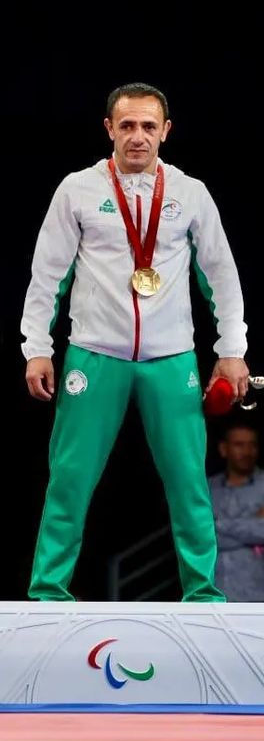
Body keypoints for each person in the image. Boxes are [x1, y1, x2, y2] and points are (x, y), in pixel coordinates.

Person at [20, 82, 248, 602]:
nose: (138, 137)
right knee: (69, 480)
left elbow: (222, 276)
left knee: (189, 483)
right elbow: (47, 275)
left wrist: (231, 348)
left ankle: (204, 596)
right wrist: (36, 346)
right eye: (127, 126)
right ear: (109, 129)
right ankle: (48, 594)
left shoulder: (191, 193)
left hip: (171, 361)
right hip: (94, 356)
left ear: (166, 131)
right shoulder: (76, 189)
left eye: (149, 126)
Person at [209, 423, 264, 602]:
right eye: (239, 445)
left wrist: (216, 524)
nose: (247, 451)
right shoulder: (207, 488)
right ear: (223, 449)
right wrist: (250, 525)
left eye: (252, 445)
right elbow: (198, 536)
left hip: (259, 595)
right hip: (214, 594)